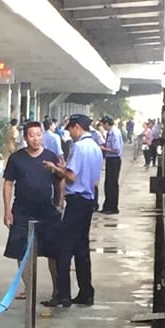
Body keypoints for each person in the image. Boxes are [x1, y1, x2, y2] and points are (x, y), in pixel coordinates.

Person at [1, 119, 64, 293]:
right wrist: (7, 211)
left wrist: (60, 203)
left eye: (38, 135)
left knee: (53, 252)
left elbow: (60, 181)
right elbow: (8, 184)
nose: (35, 139)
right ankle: (30, 289)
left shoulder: (51, 157)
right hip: (22, 211)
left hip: (47, 211)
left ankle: (57, 290)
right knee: (21, 252)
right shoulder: (16, 159)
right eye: (31, 135)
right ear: (25, 138)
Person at [59, 114, 104, 305]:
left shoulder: (78, 147)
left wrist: (55, 168)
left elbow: (71, 176)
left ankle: (63, 295)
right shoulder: (95, 147)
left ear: (77, 127)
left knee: (63, 248)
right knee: (81, 248)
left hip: (76, 200)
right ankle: (86, 292)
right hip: (88, 200)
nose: (70, 133)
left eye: (70, 129)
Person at [100, 116, 123, 214]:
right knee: (108, 183)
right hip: (110, 159)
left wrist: (104, 149)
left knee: (112, 183)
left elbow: (116, 149)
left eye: (103, 124)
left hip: (114, 159)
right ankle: (107, 205)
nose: (102, 126)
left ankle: (113, 207)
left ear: (106, 124)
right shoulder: (110, 132)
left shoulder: (114, 133)